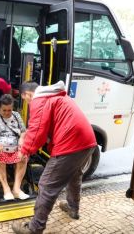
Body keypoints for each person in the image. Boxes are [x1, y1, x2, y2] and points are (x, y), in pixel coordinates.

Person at [12, 81, 97, 234]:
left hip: (71, 145)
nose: (28, 103)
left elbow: (37, 130)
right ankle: (73, 208)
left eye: (26, 100)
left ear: (27, 94)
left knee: (46, 185)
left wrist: (24, 151)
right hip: (88, 142)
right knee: (74, 175)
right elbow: (49, 129)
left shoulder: (39, 99)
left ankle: (34, 228)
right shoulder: (57, 96)